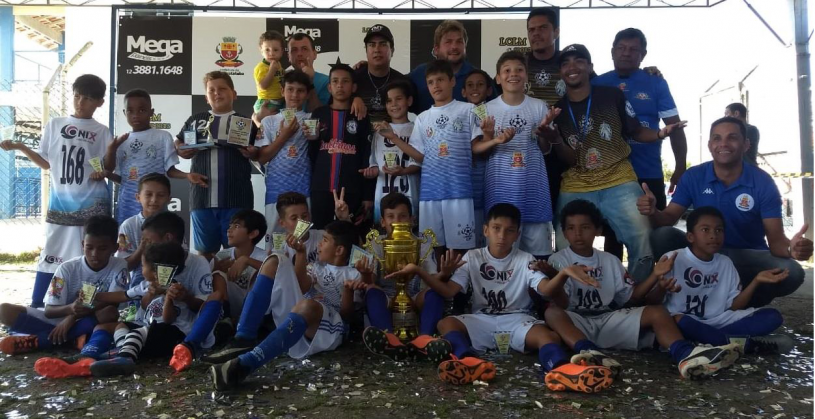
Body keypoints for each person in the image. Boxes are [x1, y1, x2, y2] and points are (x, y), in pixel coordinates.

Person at [386, 203, 616, 391]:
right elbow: (448, 291)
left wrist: (564, 273)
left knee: (548, 337)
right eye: (496, 228)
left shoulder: (526, 259)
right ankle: (467, 362)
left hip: (518, 319)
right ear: (485, 229)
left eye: (508, 230)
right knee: (446, 323)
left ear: (517, 233)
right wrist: (418, 270)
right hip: (482, 319)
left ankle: (562, 370)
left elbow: (545, 290)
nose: (501, 236)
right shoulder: (472, 257)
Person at [541, 200, 742, 382]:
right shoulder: (557, 260)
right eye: (571, 228)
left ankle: (687, 356)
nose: (578, 234)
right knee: (552, 313)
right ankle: (589, 353)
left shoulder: (610, 260)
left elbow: (634, 297)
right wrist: (563, 275)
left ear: (597, 230)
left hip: (608, 319)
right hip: (577, 321)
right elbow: (562, 303)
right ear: (564, 232)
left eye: (585, 228)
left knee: (657, 312)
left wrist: (655, 274)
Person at [544, 44, 685, 282]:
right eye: (566, 63)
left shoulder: (612, 95)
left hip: (619, 178)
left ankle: (635, 295)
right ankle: (574, 298)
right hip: (578, 184)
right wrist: (555, 139)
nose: (572, 67)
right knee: (564, 244)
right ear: (561, 73)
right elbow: (569, 159)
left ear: (590, 67)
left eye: (579, 61)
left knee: (643, 239)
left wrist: (661, 133)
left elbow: (636, 131)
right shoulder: (557, 110)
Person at [639, 117, 812, 307]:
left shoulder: (762, 182)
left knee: (792, 272)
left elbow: (776, 241)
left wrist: (791, 250)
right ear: (709, 145)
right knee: (662, 235)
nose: (723, 144)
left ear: (746, 144)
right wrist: (653, 211)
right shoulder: (694, 176)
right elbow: (668, 219)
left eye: (732, 138)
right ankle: (685, 299)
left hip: (746, 257)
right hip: (705, 255)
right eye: (717, 138)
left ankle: (745, 308)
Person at [209, 221, 374, 390]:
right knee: (276, 260)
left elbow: (347, 315)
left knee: (309, 305)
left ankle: (244, 365)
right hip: (298, 316)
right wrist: (300, 253)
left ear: (339, 250)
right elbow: (301, 286)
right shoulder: (316, 267)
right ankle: (243, 337)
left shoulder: (353, 273)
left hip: (328, 328)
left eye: (324, 240)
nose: (319, 244)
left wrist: (348, 289)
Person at [0, 74, 113, 309]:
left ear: (100, 102)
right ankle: (38, 303)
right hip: (61, 204)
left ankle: (86, 305)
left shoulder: (102, 131)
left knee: (90, 255)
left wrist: (101, 172)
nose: (81, 103)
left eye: (88, 99)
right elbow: (45, 162)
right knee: (52, 253)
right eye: (77, 96)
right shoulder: (55, 124)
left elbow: (107, 166)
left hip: (93, 204)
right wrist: (20, 146)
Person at [647, 206, 794, 354]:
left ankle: (711, 341)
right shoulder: (673, 258)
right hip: (685, 321)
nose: (713, 235)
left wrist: (756, 281)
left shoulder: (725, 263)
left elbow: (733, 307)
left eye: (719, 230)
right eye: (705, 230)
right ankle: (745, 345)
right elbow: (653, 304)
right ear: (690, 237)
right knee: (679, 321)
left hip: (720, 322)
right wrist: (661, 287)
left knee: (772, 317)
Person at [32, 241, 186, 378]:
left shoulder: (175, 289)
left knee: (137, 331)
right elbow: (122, 296)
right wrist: (97, 295)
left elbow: (168, 319)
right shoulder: (146, 286)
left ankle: (125, 358)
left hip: (170, 336)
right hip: (146, 335)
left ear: (155, 271)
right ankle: (87, 356)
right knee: (108, 326)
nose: (141, 268)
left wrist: (167, 298)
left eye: (143, 265)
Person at [0, 216, 128, 355]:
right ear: (82, 244)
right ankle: (73, 339)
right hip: (58, 321)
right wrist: (71, 309)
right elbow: (49, 311)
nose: (94, 254)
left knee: (110, 313)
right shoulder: (66, 268)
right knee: (4, 311)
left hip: (89, 320)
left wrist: (72, 318)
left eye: (102, 249)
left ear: (114, 248)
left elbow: (113, 302)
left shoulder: (119, 265)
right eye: (89, 247)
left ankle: (40, 341)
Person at [592, 28, 687, 212]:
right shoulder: (596, 84)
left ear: (643, 55)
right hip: (608, 175)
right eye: (621, 48)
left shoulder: (656, 82)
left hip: (647, 173)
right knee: (612, 237)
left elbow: (675, 127)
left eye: (633, 49)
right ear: (612, 51)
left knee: (654, 235)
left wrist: (680, 166)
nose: (626, 53)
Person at [473, 50, 554, 259]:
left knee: (538, 258)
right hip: (500, 191)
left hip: (533, 190)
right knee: (500, 254)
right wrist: (492, 138)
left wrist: (545, 133)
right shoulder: (483, 110)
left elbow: (545, 149)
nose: (513, 74)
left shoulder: (539, 106)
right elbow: (478, 152)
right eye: (506, 70)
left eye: (519, 70)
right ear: (498, 78)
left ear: (526, 75)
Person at [174, 71, 259, 261]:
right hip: (202, 199)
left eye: (222, 89)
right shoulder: (196, 120)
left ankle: (235, 291)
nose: (217, 93)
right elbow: (178, 142)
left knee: (238, 253)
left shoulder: (246, 123)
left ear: (234, 94)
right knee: (205, 254)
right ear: (206, 97)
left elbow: (260, 153)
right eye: (211, 90)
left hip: (237, 198)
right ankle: (207, 289)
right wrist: (181, 149)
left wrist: (253, 153)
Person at [350, 192, 445, 361]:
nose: (397, 222)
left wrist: (443, 273)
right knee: (372, 291)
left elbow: (433, 279)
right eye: (391, 217)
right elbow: (369, 282)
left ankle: (424, 341)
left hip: (415, 296)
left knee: (435, 293)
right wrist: (365, 274)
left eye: (402, 216)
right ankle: (390, 341)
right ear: (383, 222)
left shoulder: (422, 242)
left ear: (412, 220)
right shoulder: (375, 243)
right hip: (387, 297)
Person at [409, 59, 483, 257]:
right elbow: (420, 156)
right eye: (431, 82)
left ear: (452, 82)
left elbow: (477, 147)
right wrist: (393, 138)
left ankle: (457, 287)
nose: (436, 85)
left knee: (460, 248)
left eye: (440, 80)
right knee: (433, 249)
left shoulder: (468, 110)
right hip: (430, 193)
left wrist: (494, 139)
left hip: (459, 191)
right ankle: (435, 286)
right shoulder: (422, 118)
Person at [103, 89, 206, 223]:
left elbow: (170, 170)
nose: (135, 115)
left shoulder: (162, 137)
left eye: (141, 110)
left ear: (151, 112)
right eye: (130, 111)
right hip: (127, 204)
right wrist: (109, 158)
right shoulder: (121, 141)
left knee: (156, 239)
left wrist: (187, 175)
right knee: (127, 241)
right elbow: (121, 178)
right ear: (124, 113)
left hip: (155, 205)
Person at [308, 63, 374, 229]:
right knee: (321, 235)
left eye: (345, 81)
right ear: (329, 87)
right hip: (321, 188)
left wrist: (367, 195)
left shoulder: (360, 115)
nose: (340, 85)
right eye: (335, 81)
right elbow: (311, 154)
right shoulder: (318, 114)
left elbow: (366, 155)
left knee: (350, 235)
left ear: (353, 87)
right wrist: (313, 139)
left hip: (352, 188)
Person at [256, 70, 314, 245]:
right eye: (290, 89)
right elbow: (262, 158)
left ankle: (302, 272)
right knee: (274, 242)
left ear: (307, 94)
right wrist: (284, 135)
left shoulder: (312, 119)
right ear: (282, 91)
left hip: (303, 189)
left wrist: (314, 136)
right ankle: (274, 272)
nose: (295, 95)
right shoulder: (270, 121)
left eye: (300, 90)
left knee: (302, 239)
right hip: (276, 189)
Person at [409, 20, 495, 113]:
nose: (454, 46)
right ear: (436, 49)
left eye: (459, 41)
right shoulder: (420, 74)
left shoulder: (477, 77)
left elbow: (497, 108)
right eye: (448, 42)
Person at [367, 81, 422, 224]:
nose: (394, 104)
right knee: (385, 236)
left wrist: (404, 171)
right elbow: (374, 162)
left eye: (399, 99)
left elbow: (420, 161)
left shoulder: (416, 128)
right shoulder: (379, 132)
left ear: (409, 101)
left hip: (410, 192)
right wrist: (371, 171)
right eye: (389, 101)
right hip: (383, 193)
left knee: (410, 234)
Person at [115, 173, 172, 291]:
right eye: (148, 194)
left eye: (160, 195)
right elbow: (124, 266)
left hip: (170, 283)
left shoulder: (173, 224)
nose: (154, 200)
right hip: (137, 286)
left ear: (169, 198)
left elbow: (181, 259)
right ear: (138, 197)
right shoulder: (128, 225)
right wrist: (142, 248)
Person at [210, 209, 268, 323]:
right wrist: (216, 269)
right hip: (229, 308)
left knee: (261, 272)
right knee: (217, 274)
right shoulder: (222, 255)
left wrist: (247, 260)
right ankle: (225, 321)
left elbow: (279, 274)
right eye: (230, 225)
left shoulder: (263, 256)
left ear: (252, 234)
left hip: (256, 312)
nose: (229, 230)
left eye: (236, 226)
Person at [462, 69, 493, 247]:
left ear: (489, 90)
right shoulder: (460, 111)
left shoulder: (492, 111)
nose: (475, 89)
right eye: (470, 85)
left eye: (480, 85)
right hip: (466, 178)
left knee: (483, 220)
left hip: (486, 174)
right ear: (463, 91)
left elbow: (485, 150)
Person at [354, 24, 410, 124]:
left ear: (392, 51)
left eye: (383, 44)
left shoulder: (402, 81)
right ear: (366, 51)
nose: (377, 49)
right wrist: (353, 98)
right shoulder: (353, 78)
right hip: (358, 138)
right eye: (372, 45)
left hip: (393, 138)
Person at [253, 30, 286, 125]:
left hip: (278, 101)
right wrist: (271, 71)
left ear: (282, 51)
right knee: (268, 127)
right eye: (267, 50)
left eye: (275, 50)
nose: (271, 53)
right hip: (266, 102)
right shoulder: (261, 67)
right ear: (261, 51)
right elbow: (263, 86)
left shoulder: (278, 64)